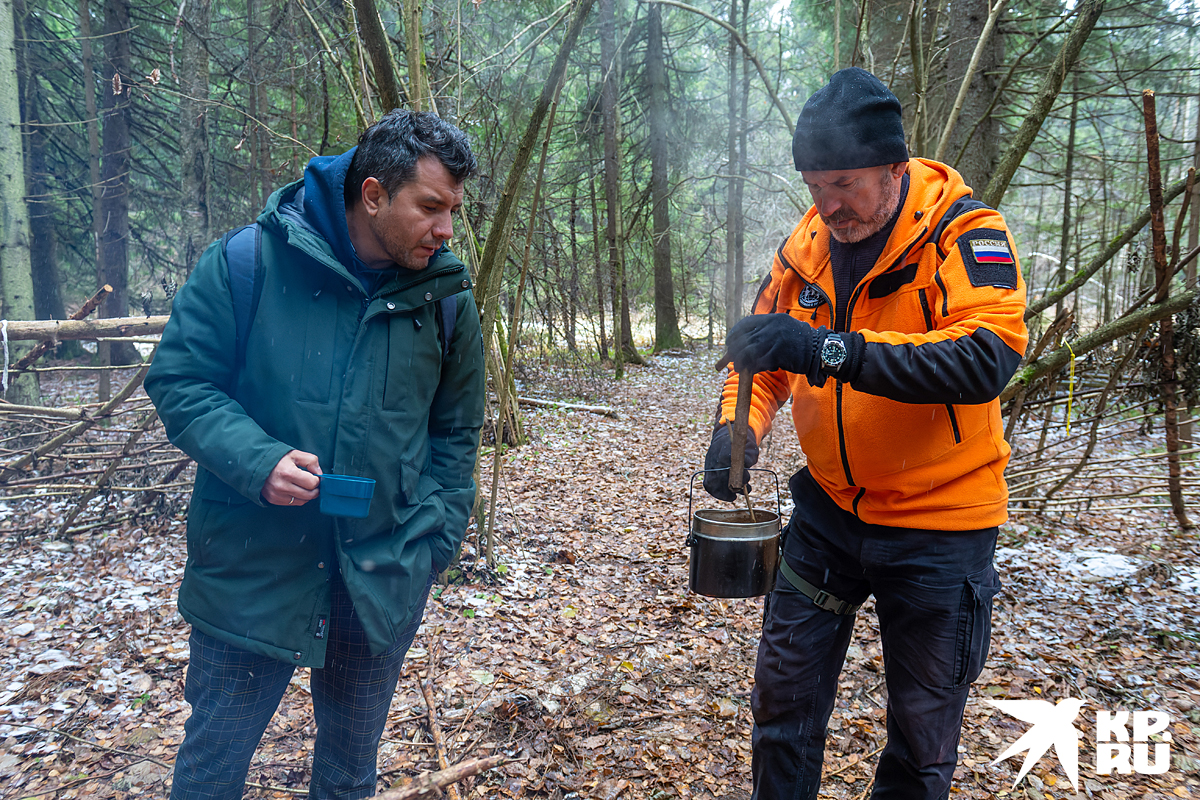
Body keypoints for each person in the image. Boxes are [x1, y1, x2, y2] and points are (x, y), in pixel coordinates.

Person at [703, 68, 1028, 799]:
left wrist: (827, 350)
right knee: (783, 704)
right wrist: (737, 431)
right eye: (815, 186)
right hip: (827, 517)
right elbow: (759, 356)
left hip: (940, 528)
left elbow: (985, 358)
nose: (828, 204)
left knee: (920, 738)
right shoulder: (804, 247)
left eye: (844, 183)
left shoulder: (965, 233)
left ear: (893, 166)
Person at [145, 109, 485, 800]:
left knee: (349, 772)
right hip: (252, 566)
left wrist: (433, 544)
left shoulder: (445, 301)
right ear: (372, 195)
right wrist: (256, 459)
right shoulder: (247, 264)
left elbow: (456, 433)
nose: (446, 229)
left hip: (382, 571)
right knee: (213, 765)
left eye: (452, 209)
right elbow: (180, 381)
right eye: (430, 207)